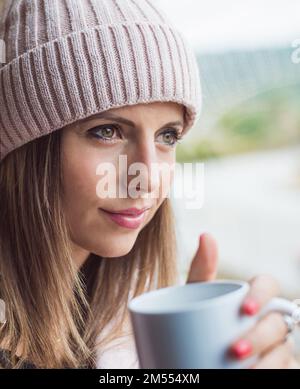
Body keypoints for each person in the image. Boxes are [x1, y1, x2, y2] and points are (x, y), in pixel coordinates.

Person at [0, 0, 298, 369]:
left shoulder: (127, 332)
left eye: (167, 136)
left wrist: (183, 355)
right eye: (106, 131)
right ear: (26, 150)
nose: (149, 176)